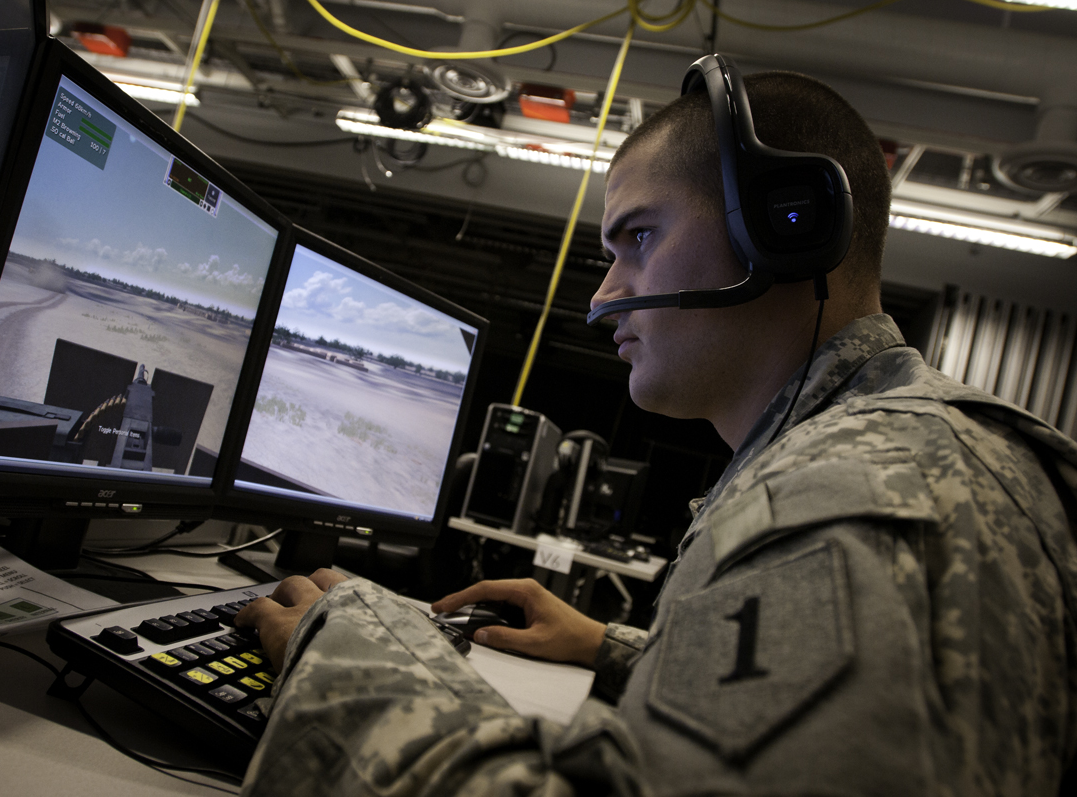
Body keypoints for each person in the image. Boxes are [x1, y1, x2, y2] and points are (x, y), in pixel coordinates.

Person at [235, 68, 1077, 795]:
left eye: (638, 237)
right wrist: (615, 648)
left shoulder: (852, 493)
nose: (603, 299)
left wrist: (346, 655)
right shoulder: (915, 444)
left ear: (785, 228)